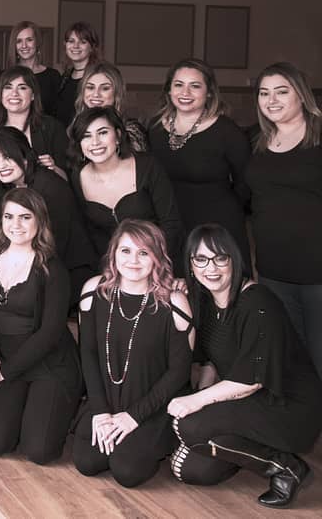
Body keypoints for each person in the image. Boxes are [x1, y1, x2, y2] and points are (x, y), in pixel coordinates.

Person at [169, 224, 322, 507]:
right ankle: (251, 448)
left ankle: (287, 467)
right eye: (200, 259)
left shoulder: (258, 302)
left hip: (287, 404)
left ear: (234, 260)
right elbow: (211, 362)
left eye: (220, 258)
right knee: (192, 470)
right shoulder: (204, 299)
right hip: (245, 398)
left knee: (189, 424)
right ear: (190, 263)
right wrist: (205, 406)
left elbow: (251, 380)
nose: (210, 268)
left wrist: (197, 403)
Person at [74, 219, 192, 487]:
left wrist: (134, 417)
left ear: (157, 258)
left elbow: (179, 373)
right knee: (87, 462)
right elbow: (89, 353)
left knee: (127, 471)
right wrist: (101, 411)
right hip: (106, 398)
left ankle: (161, 440)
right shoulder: (94, 290)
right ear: (113, 254)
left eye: (143, 252)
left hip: (153, 405)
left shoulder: (173, 302)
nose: (133, 260)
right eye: (125, 251)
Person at [0, 188, 81, 464]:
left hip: (48, 363)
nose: (16, 225)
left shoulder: (52, 268)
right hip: (5, 360)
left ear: (40, 221)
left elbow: (50, 333)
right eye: (9, 217)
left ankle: (59, 412)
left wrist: (6, 372)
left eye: (25, 217)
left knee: (39, 451)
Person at [246, 62, 322, 377]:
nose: (271, 100)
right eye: (264, 93)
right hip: (273, 269)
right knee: (290, 357)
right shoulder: (255, 139)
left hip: (317, 271)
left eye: (281, 91)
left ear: (301, 95)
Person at [148, 59, 251, 269]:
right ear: (168, 90)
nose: (185, 92)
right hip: (172, 225)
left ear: (209, 92)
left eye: (195, 86)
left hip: (218, 226)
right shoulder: (155, 127)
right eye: (178, 85)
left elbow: (246, 184)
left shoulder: (227, 132)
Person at [0, 127, 96, 292]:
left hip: (68, 272)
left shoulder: (49, 186)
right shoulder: (10, 187)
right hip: (39, 265)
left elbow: (56, 243)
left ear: (24, 156)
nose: (1, 165)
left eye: (7, 157)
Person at [69, 107, 182, 267]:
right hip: (109, 270)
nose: (95, 142)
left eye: (103, 133)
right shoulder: (77, 177)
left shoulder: (147, 166)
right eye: (86, 136)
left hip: (158, 263)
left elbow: (171, 223)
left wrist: (153, 263)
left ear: (118, 135)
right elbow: (87, 236)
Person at [0, 65, 70, 179]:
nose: (14, 93)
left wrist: (53, 168)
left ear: (33, 95)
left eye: (22, 88)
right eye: (8, 87)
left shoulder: (52, 127)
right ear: (1, 94)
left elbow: (68, 178)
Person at [73, 61, 148, 152]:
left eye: (105, 88)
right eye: (90, 87)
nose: (96, 94)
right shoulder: (75, 125)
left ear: (116, 93)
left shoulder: (130, 131)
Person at [7, 20, 60, 117]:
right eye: (19, 41)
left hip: (46, 130)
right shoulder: (6, 75)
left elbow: (58, 113)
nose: (24, 45)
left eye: (29, 40)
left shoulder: (53, 76)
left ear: (37, 42)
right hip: (13, 131)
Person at [53, 22, 101, 128]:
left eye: (82, 42)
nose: (75, 46)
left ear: (92, 47)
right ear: (65, 45)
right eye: (71, 41)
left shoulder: (97, 77)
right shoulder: (65, 77)